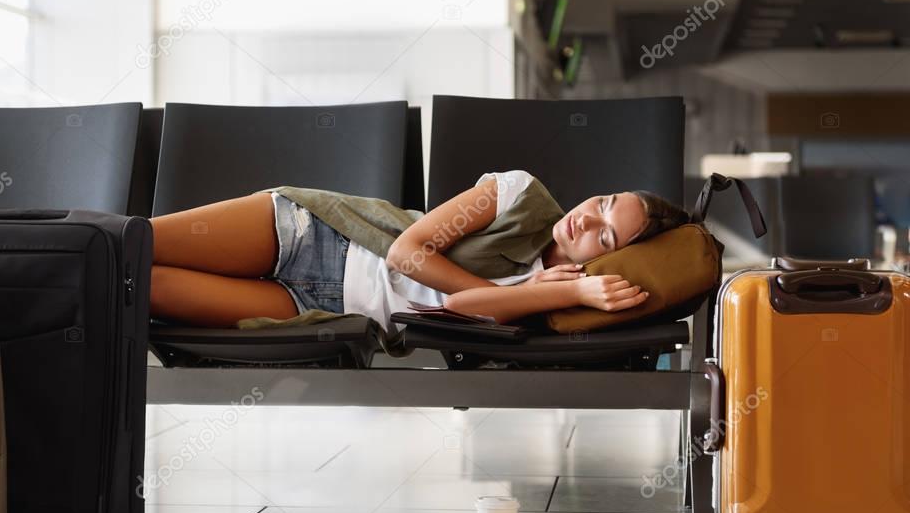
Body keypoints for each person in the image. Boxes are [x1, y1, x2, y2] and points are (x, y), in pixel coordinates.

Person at [149, 170, 691, 335]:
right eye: (605, 200)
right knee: (136, 241)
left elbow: (456, 312)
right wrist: (506, 292)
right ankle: (60, 238)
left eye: (604, 236)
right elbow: (407, 252)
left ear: (606, 262)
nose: (586, 217)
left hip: (316, 308)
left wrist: (569, 289)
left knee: (146, 287)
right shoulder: (519, 194)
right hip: (317, 233)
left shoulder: (558, 300)